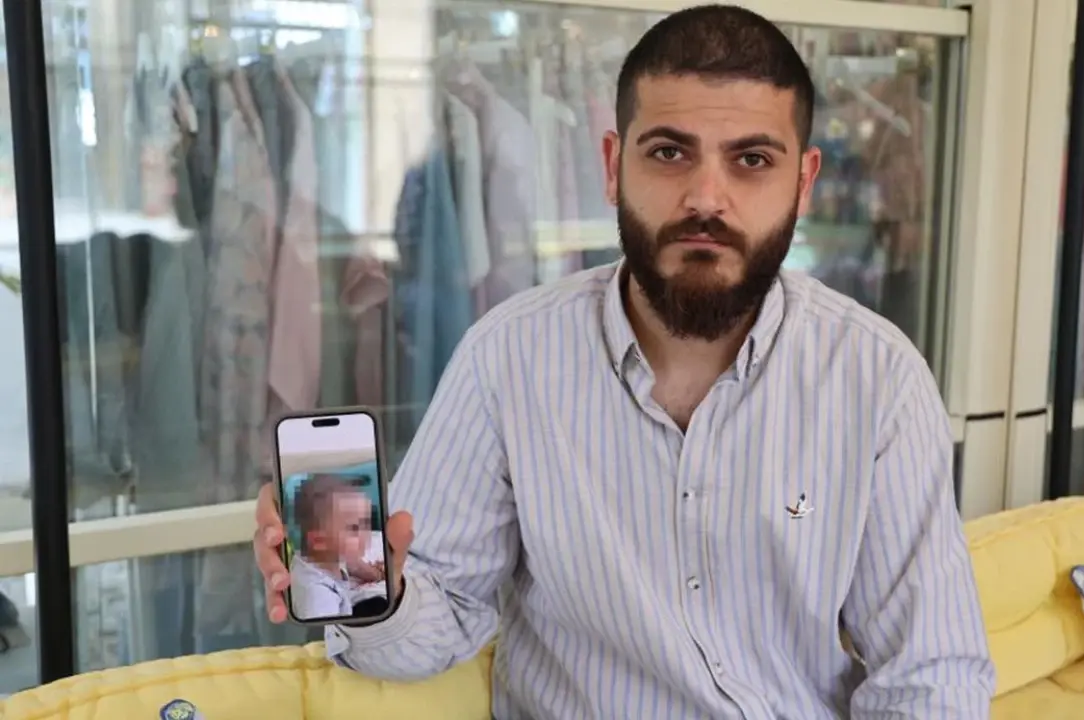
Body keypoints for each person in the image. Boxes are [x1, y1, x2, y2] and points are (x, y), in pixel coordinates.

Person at [254, 5, 995, 717]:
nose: (707, 198)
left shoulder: (876, 378)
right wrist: (375, 592)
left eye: (751, 160)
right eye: (670, 153)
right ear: (613, 166)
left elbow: (929, 679)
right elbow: (437, 618)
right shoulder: (509, 357)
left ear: (802, 183)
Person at [287, 474, 383, 620]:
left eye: (366, 523)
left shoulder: (328, 554)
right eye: (354, 528)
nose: (367, 534)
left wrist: (376, 574)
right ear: (319, 541)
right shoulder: (319, 597)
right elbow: (328, 632)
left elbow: (353, 565)